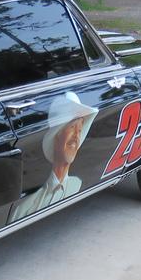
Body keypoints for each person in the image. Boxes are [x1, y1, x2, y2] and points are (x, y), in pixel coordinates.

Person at [9, 91, 98, 222]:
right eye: (72, 127)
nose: (76, 137)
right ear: (57, 136)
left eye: (79, 130)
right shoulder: (25, 208)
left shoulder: (77, 184)